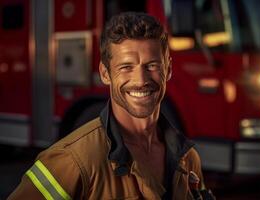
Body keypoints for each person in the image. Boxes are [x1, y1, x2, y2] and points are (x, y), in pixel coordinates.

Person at [8, 12, 210, 200]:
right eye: (126, 67)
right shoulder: (72, 160)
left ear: (169, 70)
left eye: (152, 66)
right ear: (105, 74)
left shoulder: (188, 159)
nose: (141, 80)